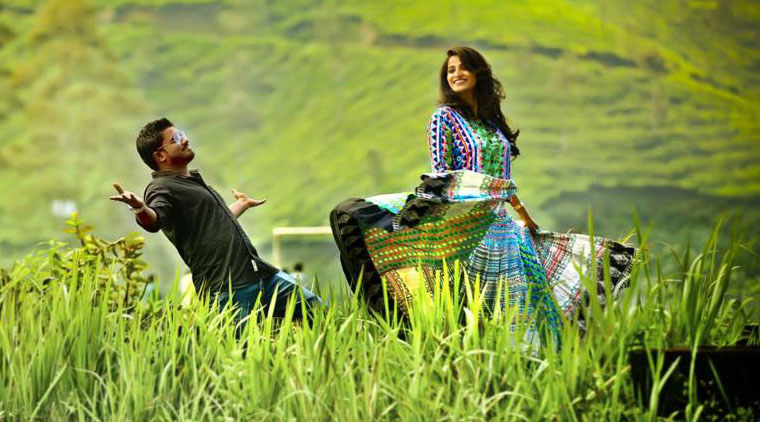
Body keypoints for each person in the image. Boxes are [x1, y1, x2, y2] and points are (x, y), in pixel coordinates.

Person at [331, 47, 635, 346]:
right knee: (472, 297)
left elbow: (504, 181)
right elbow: (442, 175)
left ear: (479, 72)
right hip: (465, 221)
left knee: (517, 297)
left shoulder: (492, 123)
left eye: (463, 67)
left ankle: (521, 359)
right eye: (450, 71)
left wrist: (525, 216)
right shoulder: (444, 118)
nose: (456, 74)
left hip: (499, 222)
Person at [110, 118, 322, 331]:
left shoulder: (191, 182)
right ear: (160, 155)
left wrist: (241, 204)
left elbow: (214, 221)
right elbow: (154, 220)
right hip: (227, 289)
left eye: (182, 135)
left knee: (317, 310)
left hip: (260, 275)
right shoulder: (161, 187)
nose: (185, 140)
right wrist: (139, 207)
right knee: (241, 348)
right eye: (176, 139)